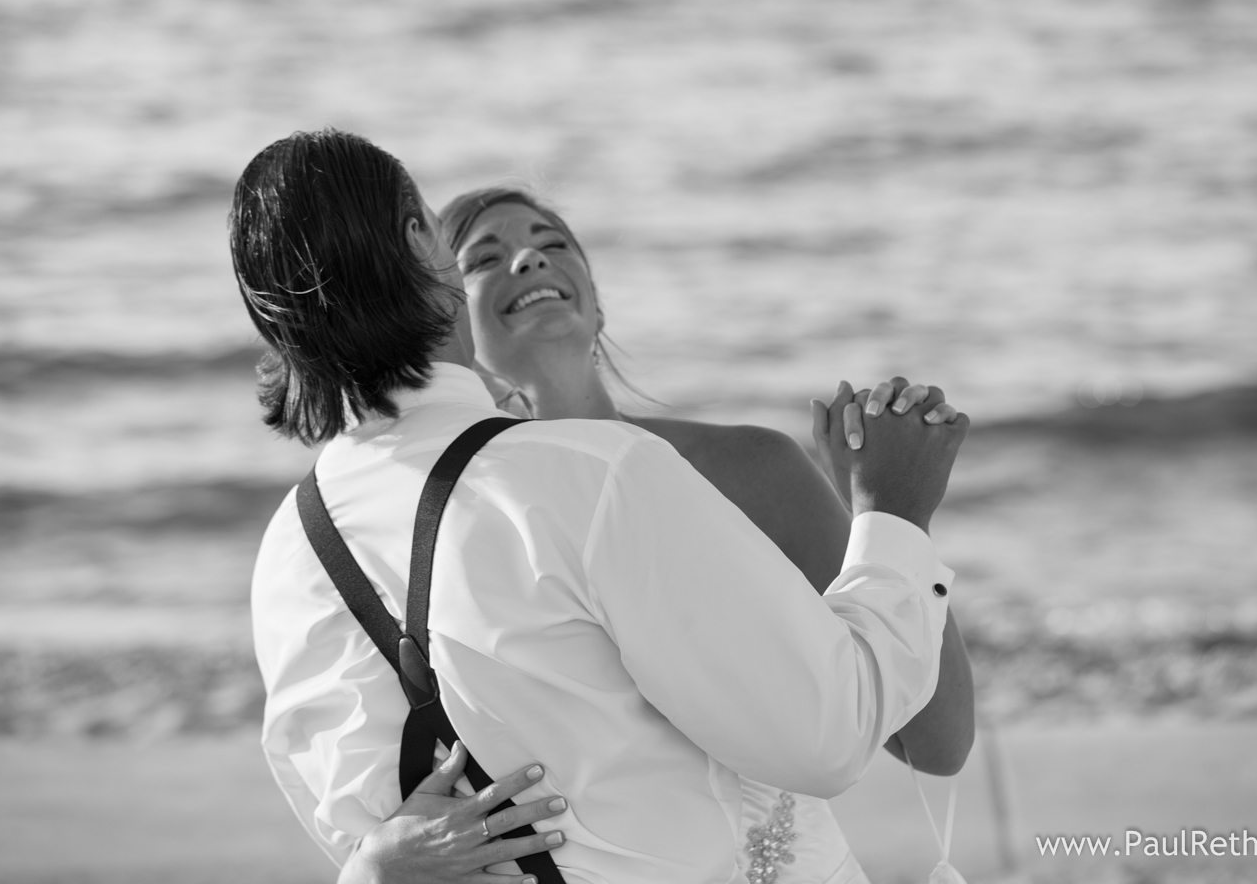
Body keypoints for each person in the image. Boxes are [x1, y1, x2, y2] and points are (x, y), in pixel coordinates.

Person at [235, 129, 968, 884]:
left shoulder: (292, 550)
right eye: (477, 255)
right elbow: (827, 734)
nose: (528, 261)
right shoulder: (593, 477)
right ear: (421, 243)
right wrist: (895, 518)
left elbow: (359, 826)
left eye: (553, 242)